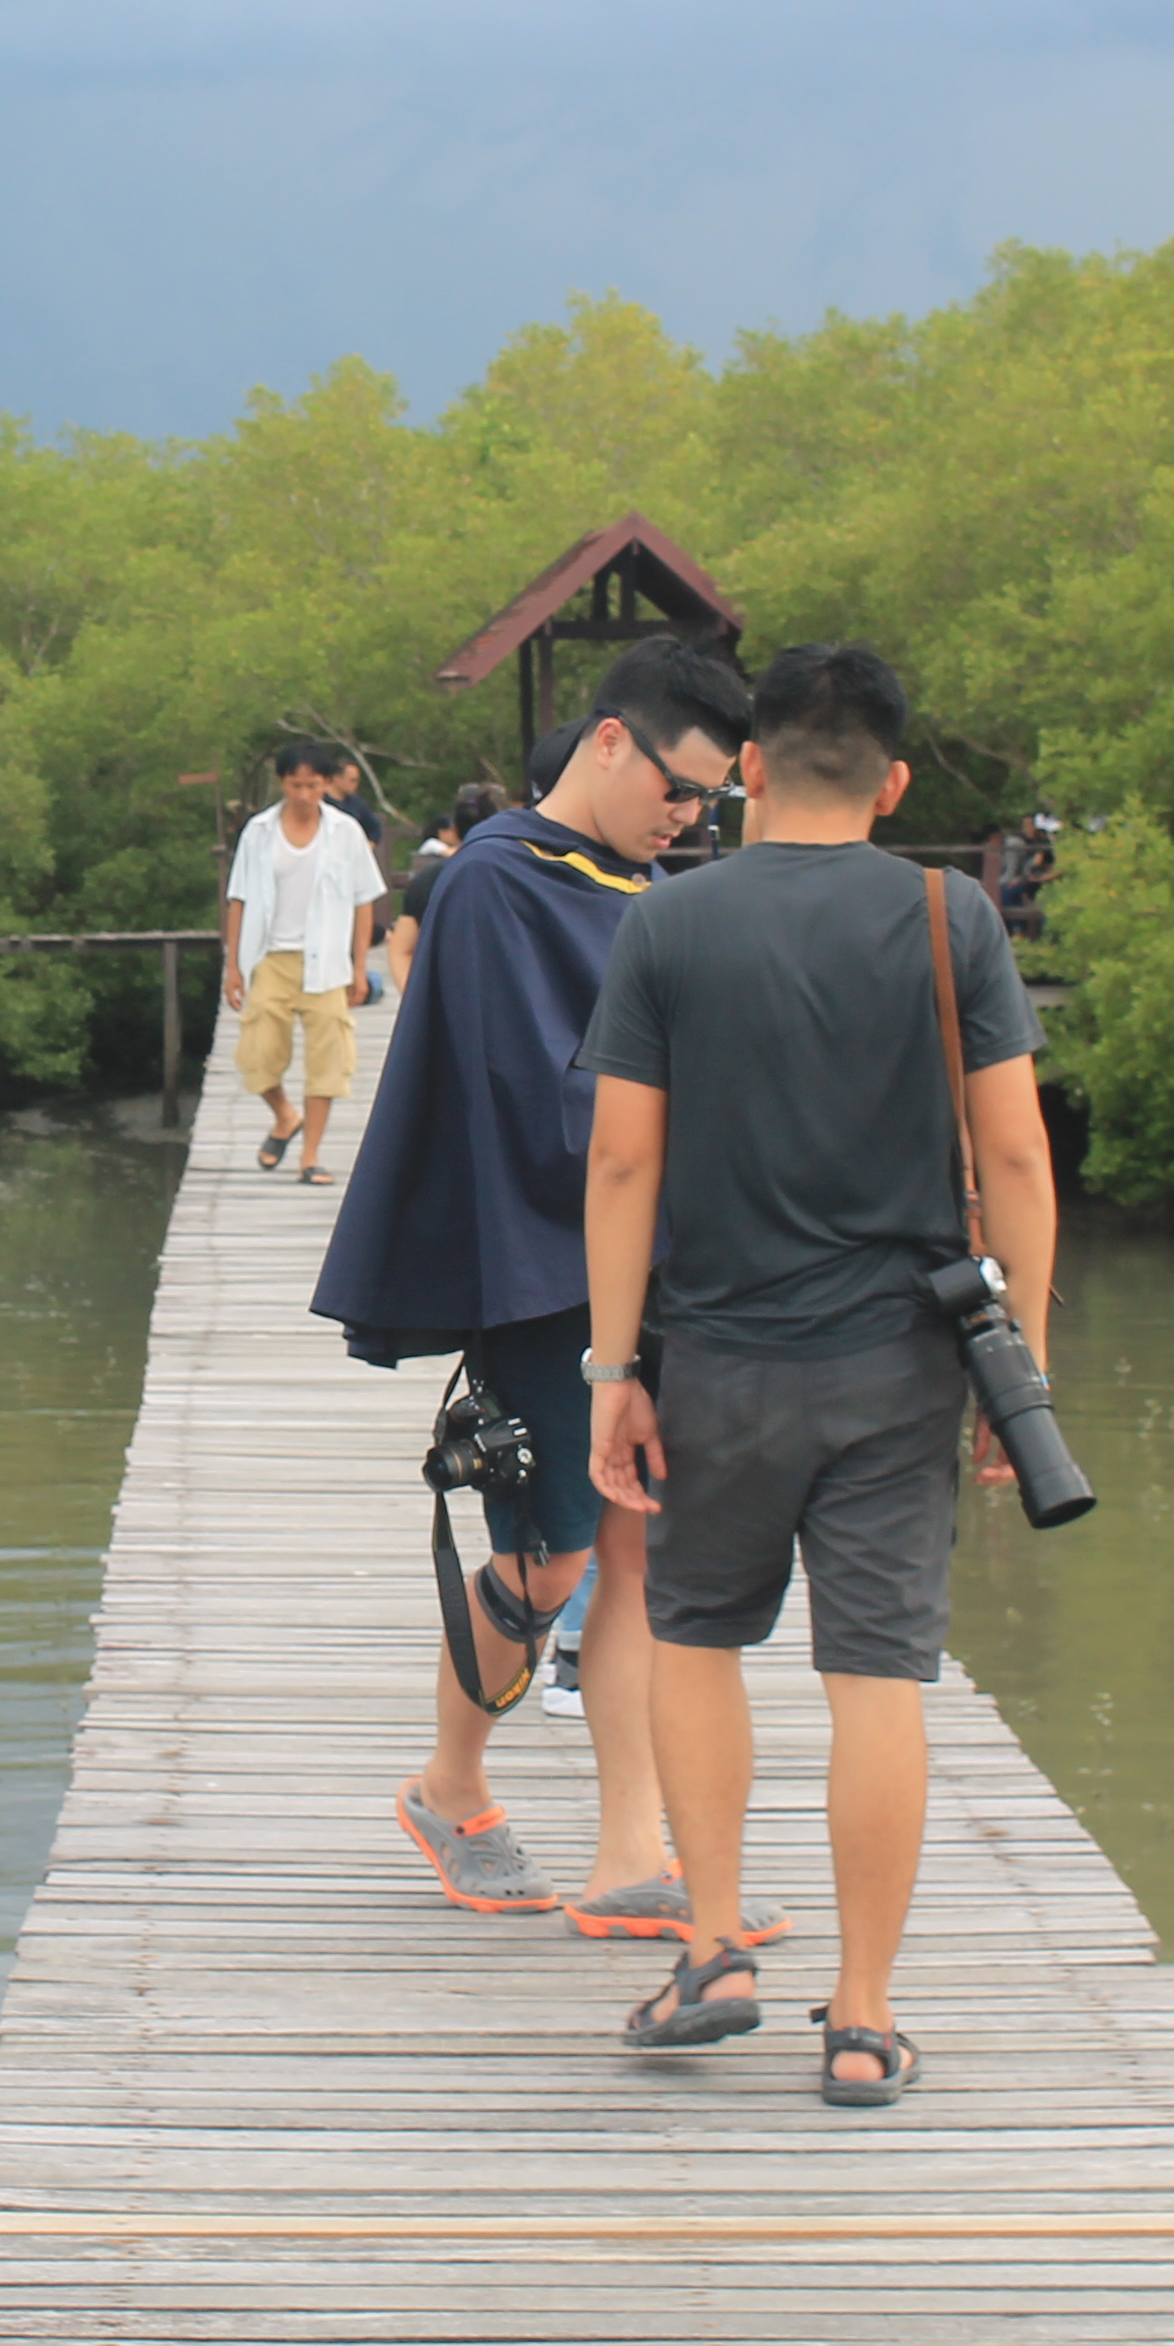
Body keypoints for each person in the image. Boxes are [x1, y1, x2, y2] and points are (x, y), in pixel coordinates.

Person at [579, 642, 1056, 2105]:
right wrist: (1017, 1366)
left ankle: (714, 1946)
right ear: (896, 778)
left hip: (718, 1360)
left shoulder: (669, 927)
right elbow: (1018, 1155)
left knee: (697, 1638)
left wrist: (614, 1368)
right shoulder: (948, 916)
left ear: (761, 768)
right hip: (898, 1370)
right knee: (878, 1680)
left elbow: (621, 1159)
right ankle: (860, 2020)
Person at [315, 640, 787, 1952]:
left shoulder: (641, 887)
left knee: (643, 1550)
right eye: (681, 789)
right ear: (614, 741)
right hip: (542, 1268)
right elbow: (541, 1104)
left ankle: (638, 1848)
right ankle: (449, 1785)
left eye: (712, 805)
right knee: (555, 1555)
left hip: (661, 1262)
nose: (689, 818)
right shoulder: (492, 886)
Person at [220, 740, 388, 1184]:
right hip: (271, 956)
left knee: (329, 1059)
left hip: (327, 960)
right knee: (256, 1054)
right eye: (296, 785)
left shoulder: (346, 831)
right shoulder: (258, 832)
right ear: (282, 783)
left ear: (326, 785)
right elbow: (237, 898)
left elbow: (363, 900)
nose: (304, 795)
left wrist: (358, 966)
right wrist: (233, 966)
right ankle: (283, 1114)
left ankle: (310, 1156)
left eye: (313, 786)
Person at [382, 783, 507, 999]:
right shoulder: (521, 875)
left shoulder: (430, 878)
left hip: (447, 995)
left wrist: (416, 1001)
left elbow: (401, 949)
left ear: (455, 830)